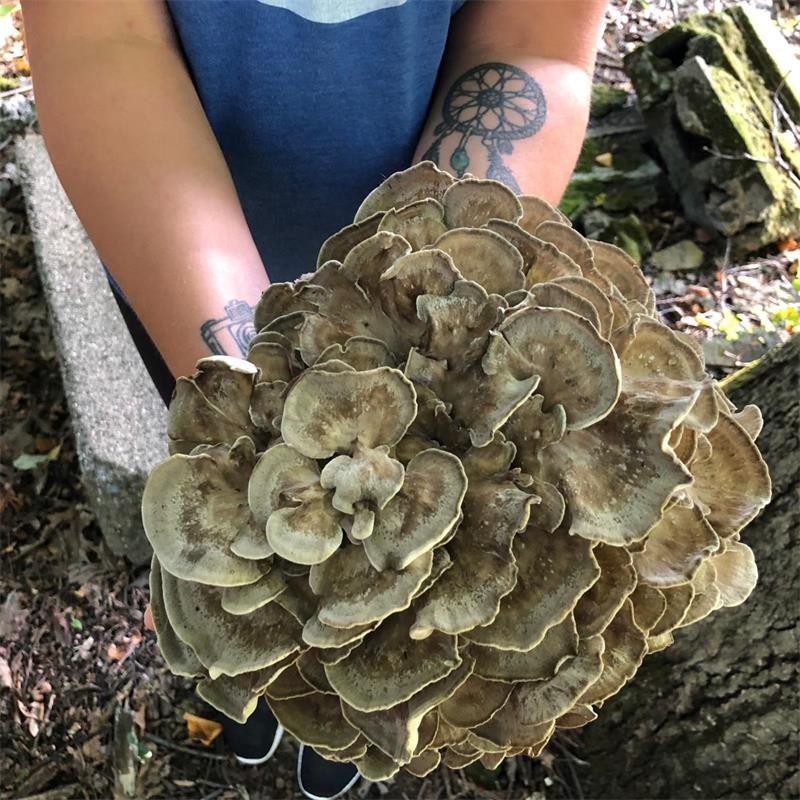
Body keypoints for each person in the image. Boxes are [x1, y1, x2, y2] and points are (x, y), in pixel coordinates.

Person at [23, 0, 608, 796]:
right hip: (175, 256)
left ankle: (342, 728)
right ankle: (249, 680)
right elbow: (98, 39)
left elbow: (533, 42)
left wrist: (440, 299)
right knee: (225, 496)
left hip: (430, 289)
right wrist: (260, 383)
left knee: (390, 622)